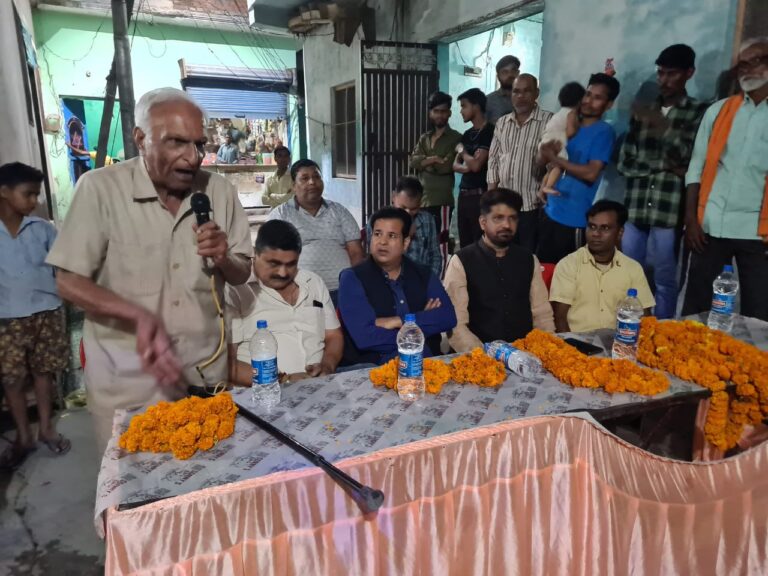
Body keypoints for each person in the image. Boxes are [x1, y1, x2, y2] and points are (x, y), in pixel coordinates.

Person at [46, 88, 253, 453]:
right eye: (176, 142)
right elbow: (67, 280)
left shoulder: (218, 191)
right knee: (133, 483)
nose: (192, 157)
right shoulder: (100, 189)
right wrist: (139, 318)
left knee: (211, 480)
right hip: (128, 383)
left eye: (199, 144)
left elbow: (241, 273)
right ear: (140, 139)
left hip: (205, 376)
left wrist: (224, 257)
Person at [618, 44, 708, 320]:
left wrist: (660, 125)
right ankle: (628, 329)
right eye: (660, 73)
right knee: (629, 277)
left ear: (689, 73)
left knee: (665, 281)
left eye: (671, 74)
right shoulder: (643, 111)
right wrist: (666, 167)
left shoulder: (698, 112)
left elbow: (690, 158)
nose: (664, 80)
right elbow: (624, 163)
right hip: (636, 208)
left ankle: (663, 331)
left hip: (668, 212)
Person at [682, 37, 768, 322]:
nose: (745, 69)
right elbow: (696, 167)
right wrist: (691, 220)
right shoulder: (719, 111)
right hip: (710, 225)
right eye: (741, 64)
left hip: (759, 232)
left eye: (753, 62)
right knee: (696, 308)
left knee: (759, 314)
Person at [0, 163, 70, 469]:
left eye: (36, 195)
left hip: (47, 311)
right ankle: (24, 436)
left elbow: (62, 269)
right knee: (12, 379)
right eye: (28, 194)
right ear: (4, 192)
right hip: (7, 318)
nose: (33, 201)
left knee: (44, 373)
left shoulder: (43, 229)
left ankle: (45, 428)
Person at [227, 220, 343, 384]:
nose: (282, 273)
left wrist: (327, 366)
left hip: (320, 386)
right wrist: (283, 380)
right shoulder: (236, 291)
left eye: (291, 264)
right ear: (255, 254)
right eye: (274, 264)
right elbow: (228, 364)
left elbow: (333, 336)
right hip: (263, 392)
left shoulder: (313, 282)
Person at [338, 207, 457, 366]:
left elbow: (447, 317)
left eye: (392, 236)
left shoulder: (423, 274)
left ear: (405, 243)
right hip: (373, 366)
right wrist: (422, 320)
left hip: (426, 362)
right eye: (377, 234)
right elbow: (365, 337)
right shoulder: (352, 278)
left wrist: (398, 321)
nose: (382, 242)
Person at [444, 189, 555, 353]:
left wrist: (546, 351)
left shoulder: (528, 260)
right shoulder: (461, 261)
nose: (506, 225)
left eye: (512, 218)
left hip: (524, 354)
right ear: (483, 222)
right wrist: (484, 357)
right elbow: (456, 325)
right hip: (477, 356)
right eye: (498, 218)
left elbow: (542, 315)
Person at [538, 73, 621, 265]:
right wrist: (546, 174)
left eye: (597, 97)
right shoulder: (569, 123)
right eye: (588, 94)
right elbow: (547, 160)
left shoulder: (604, 132)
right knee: (545, 273)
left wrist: (555, 159)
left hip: (574, 219)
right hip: (550, 212)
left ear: (609, 104)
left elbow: (591, 173)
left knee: (570, 277)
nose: (589, 101)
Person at [267, 159, 364, 303]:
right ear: (293, 186)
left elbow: (356, 252)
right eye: (305, 178)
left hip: (343, 291)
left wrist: (355, 285)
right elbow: (270, 258)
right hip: (300, 293)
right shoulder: (281, 215)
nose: (312, 182)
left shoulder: (339, 211)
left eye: (316, 177)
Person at [549, 201, 655, 333]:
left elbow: (645, 316)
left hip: (621, 340)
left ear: (620, 232)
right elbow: (559, 319)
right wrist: (571, 345)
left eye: (605, 228)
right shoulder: (568, 265)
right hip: (577, 341)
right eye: (592, 227)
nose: (596, 234)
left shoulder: (632, 268)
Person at [487, 74, 553, 253]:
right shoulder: (502, 123)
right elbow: (493, 160)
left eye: (526, 91)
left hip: (531, 206)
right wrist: (491, 198)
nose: (520, 96)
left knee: (526, 256)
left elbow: (554, 164)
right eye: (516, 91)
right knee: (501, 255)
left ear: (536, 93)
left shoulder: (548, 121)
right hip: (503, 206)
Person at [409, 91, 462, 272]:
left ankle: (440, 279)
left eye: (443, 111)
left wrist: (424, 163)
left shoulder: (455, 138)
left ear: (449, 113)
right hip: (422, 199)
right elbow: (412, 161)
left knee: (441, 241)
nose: (440, 115)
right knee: (422, 239)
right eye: (436, 111)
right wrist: (433, 159)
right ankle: (423, 277)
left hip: (441, 200)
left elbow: (446, 166)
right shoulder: (424, 137)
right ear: (430, 113)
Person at [365, 176, 442, 277]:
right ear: (393, 197)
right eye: (403, 207)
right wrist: (405, 234)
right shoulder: (377, 221)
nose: (408, 213)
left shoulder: (427, 220)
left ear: (420, 203)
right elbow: (376, 258)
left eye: (414, 208)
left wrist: (429, 281)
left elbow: (435, 256)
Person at [453, 88, 495, 248]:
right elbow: (455, 165)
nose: (461, 111)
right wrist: (468, 166)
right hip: (463, 195)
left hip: (479, 195)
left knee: (479, 243)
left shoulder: (489, 131)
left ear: (476, 106)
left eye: (464, 106)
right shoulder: (467, 134)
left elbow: (477, 166)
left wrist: (463, 152)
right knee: (465, 243)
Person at [539, 82, 585, 195]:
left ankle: (543, 187)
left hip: (545, 142)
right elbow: (571, 131)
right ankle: (548, 186)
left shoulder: (559, 113)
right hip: (556, 143)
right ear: (580, 101)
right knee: (559, 166)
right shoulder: (571, 113)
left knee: (551, 168)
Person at [486, 55, 521, 124]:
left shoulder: (527, 99)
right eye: (505, 72)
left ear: (518, 73)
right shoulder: (488, 101)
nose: (510, 75)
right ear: (498, 76)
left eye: (513, 70)